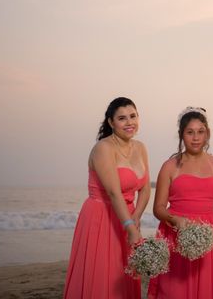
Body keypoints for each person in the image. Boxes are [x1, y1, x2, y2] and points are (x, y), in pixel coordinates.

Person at [64, 97, 151, 299]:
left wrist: (136, 217)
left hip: (127, 216)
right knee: (104, 276)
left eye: (133, 116)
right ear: (111, 123)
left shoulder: (140, 147)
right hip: (101, 218)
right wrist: (129, 226)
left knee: (125, 273)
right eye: (122, 118)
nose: (129, 122)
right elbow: (113, 192)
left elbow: (145, 188)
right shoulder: (103, 148)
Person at [148, 107, 213, 299]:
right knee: (174, 289)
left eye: (200, 132)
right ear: (181, 135)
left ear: (207, 134)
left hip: (210, 238)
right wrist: (175, 220)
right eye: (190, 132)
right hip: (176, 235)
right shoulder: (170, 166)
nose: (195, 138)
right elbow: (158, 208)